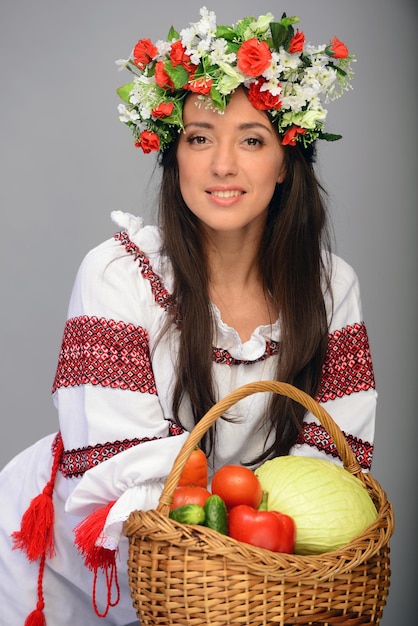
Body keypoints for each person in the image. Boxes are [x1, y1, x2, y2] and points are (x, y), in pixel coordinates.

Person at [0, 7, 376, 625]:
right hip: (100, 558)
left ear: (286, 163)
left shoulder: (332, 287)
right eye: (199, 137)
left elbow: (337, 456)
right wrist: (237, 536)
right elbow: (119, 463)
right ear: (174, 156)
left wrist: (270, 542)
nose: (222, 165)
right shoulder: (118, 274)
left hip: (236, 572)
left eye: (252, 139)